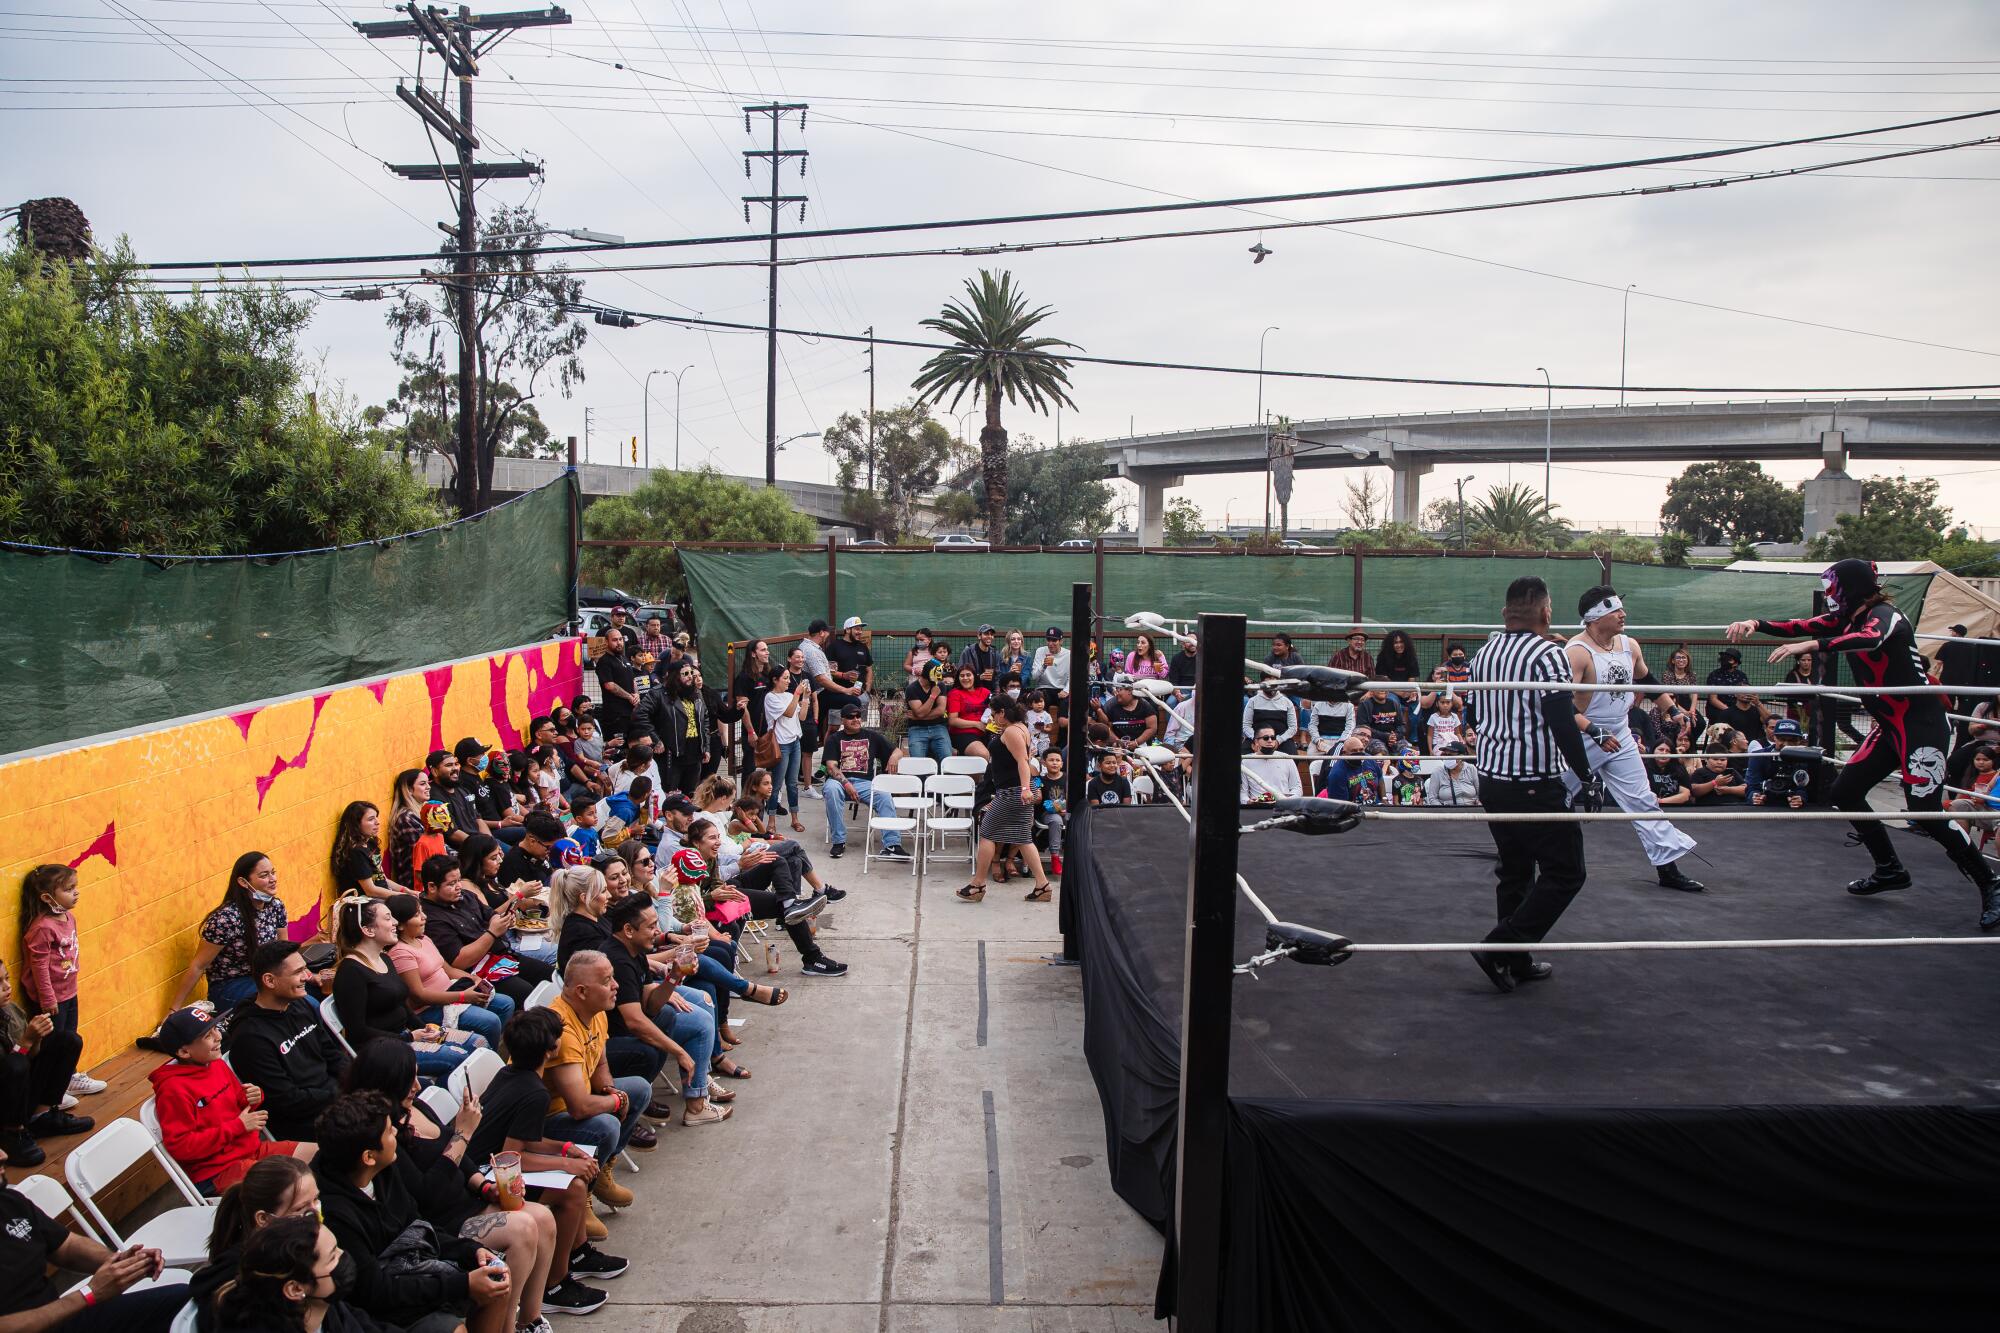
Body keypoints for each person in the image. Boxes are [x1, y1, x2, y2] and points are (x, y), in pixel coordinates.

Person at [1728, 559, 2000, 928]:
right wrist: (1755, 624)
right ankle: (1889, 868)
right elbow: (1800, 624)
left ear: (1851, 586)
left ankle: (1991, 883)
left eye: (1833, 585)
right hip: (1889, 726)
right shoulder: (1847, 619)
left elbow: (1868, 638)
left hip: (1922, 724)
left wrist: (1809, 645)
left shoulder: (1886, 616)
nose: (1829, 594)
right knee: (1846, 790)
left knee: (1926, 810)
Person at [1464, 575, 1594, 993]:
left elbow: (1472, 716)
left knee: (1515, 872)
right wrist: (1587, 776)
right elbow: (1561, 719)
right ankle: (1501, 947)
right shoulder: (1547, 654)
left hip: (1492, 778)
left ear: (1506, 612)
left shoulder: (1483, 654)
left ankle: (1515, 961)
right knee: (1566, 871)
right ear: (1546, 611)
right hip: (1535, 781)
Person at [311, 1092, 509, 1333]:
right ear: (368, 1157)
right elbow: (375, 1292)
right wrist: (462, 1284)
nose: (396, 1132)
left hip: (415, 1270)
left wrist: (471, 1250)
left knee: (497, 1281)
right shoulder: (335, 1213)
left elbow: (418, 1226)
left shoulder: (383, 1170)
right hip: (382, 1310)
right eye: (388, 1131)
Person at [1561, 587, 1707, 891]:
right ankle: (1522, 853)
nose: (1623, 614)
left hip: (1620, 733)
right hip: (1581, 735)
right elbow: (1560, 705)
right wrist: (1593, 731)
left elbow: (1646, 680)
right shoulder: (1577, 651)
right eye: (1616, 610)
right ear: (1596, 617)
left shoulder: (1629, 645)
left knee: (1643, 800)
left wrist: (1673, 709)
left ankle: (1668, 868)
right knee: (1555, 797)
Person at [0, 1157, 185, 1331]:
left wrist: (120, 1263)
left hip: (64, 1319)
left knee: (186, 1300)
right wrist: (89, 1293)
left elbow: (67, 1246)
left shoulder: (9, 1201)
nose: (3, 1155)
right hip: (61, 1313)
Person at [150, 1005, 315, 1195]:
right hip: (219, 1171)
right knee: (294, 1188)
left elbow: (238, 1103)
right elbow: (180, 1146)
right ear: (185, 1052)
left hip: (254, 1151)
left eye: (215, 1029)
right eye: (207, 1036)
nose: (219, 1036)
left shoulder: (216, 1063)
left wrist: (252, 1097)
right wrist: (238, 1126)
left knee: (326, 1154)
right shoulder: (173, 1090)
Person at [603, 895, 730, 1126]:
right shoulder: (618, 961)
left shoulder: (635, 951)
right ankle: (633, 1108)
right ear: (628, 930)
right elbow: (635, 1022)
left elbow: (651, 1005)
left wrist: (675, 976)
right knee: (677, 1033)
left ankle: (696, 1099)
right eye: (651, 926)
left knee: (691, 1017)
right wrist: (679, 1052)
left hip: (630, 1029)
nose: (657, 931)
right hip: (610, 1040)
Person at [541, 952, 652, 1198]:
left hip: (575, 1101)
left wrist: (609, 1091)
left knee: (639, 1088)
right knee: (608, 1124)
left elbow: (600, 1064)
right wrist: (616, 1101)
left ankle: (600, 1169)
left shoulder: (595, 1010)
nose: (616, 985)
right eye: (606, 981)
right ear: (581, 991)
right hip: (546, 1121)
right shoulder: (562, 1032)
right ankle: (583, 1193)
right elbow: (579, 1107)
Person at [331, 895, 478, 1078]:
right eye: (387, 918)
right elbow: (357, 1032)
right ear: (368, 930)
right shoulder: (351, 972)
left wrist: (425, 1029)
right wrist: (409, 1037)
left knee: (478, 1043)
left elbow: (402, 1005)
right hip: (383, 1052)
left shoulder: (384, 958)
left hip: (407, 1035)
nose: (394, 922)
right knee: (460, 1059)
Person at [224, 940, 350, 1143]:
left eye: (305, 969)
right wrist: (340, 1094)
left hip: (335, 1099)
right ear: (270, 980)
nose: (306, 977)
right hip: (303, 1123)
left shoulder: (300, 1005)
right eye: (297, 972)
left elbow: (332, 1053)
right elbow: (286, 1100)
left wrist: (355, 1080)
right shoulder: (250, 1038)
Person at [186, 1154, 319, 1332]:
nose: (314, 1213)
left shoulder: (289, 1248)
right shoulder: (246, 1284)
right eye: (301, 1208)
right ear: (264, 1218)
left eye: (316, 1200)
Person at [954, 694, 1054, 904]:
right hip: (1013, 791)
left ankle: (978, 884)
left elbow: (1022, 762)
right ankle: (1043, 885)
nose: (992, 718)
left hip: (1012, 792)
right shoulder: (1019, 728)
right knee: (1023, 838)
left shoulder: (1012, 732)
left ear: (1002, 712)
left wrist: (1026, 788)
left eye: (994, 714)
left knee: (988, 832)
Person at [385, 894, 515, 1046]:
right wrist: (461, 996)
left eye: (422, 911)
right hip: (430, 1008)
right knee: (490, 1022)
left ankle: (487, 1047)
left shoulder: (424, 939)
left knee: (506, 1003)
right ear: (400, 924)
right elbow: (419, 996)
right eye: (416, 915)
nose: (424, 917)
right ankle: (483, 1056)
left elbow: (448, 970)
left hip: (452, 992)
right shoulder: (400, 953)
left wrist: (474, 979)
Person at [169, 851, 290, 1013]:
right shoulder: (226, 919)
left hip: (264, 979)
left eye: (273, 873)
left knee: (306, 1001)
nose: (273, 879)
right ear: (243, 882)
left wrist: (304, 975)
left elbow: (284, 951)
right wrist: (174, 1009)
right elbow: (198, 965)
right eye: (264, 875)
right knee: (278, 1004)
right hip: (230, 986)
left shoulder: (276, 907)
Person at [0, 951, 89, 1165]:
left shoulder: (10, 1010)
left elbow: (30, 1056)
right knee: (16, 1064)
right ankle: (12, 1134)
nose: (7, 987)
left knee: (67, 1040)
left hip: (19, 1094)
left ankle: (41, 1117)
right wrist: (26, 1042)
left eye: (6, 978)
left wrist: (37, 1038)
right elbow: (11, 1068)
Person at [822, 703, 909, 859]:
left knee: (884, 795)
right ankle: (838, 841)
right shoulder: (834, 739)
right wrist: (846, 784)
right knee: (831, 790)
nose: (855, 719)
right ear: (842, 720)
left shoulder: (871, 736)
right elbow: (831, 767)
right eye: (850, 717)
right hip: (839, 782)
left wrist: (894, 757)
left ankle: (892, 844)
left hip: (864, 783)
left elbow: (897, 750)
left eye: (858, 716)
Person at [638, 657, 709, 799]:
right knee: (669, 794)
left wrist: (706, 747)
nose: (690, 677)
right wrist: (655, 739)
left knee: (690, 795)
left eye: (691, 673)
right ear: (675, 676)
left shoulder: (696, 693)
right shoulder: (659, 693)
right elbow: (640, 714)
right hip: (671, 753)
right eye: (686, 674)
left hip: (694, 752)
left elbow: (705, 720)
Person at [331, 801, 400, 900]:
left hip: (381, 898)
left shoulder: (370, 843)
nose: (377, 822)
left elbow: (383, 879)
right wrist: (403, 897)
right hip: (365, 905)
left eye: (376, 817)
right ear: (356, 824)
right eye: (371, 819)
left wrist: (406, 890)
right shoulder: (356, 852)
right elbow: (370, 890)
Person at [593, 626, 642, 743]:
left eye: (620, 639)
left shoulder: (624, 658)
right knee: (618, 748)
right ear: (606, 641)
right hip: (615, 715)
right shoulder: (604, 661)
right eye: (615, 640)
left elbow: (632, 679)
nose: (619, 643)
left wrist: (637, 694)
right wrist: (629, 697)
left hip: (630, 712)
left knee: (633, 744)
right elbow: (609, 685)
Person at [902, 657, 953, 765]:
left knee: (947, 758)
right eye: (937, 674)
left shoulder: (940, 685)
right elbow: (920, 712)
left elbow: (940, 710)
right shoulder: (912, 689)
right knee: (918, 762)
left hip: (938, 727)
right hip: (917, 728)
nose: (940, 678)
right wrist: (933, 696)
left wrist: (918, 717)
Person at [945, 664, 994, 758]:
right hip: (964, 733)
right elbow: (952, 720)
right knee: (982, 754)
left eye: (968, 675)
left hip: (987, 732)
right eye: (962, 676)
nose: (965, 678)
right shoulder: (955, 693)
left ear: (974, 676)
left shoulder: (985, 692)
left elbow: (994, 711)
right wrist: (976, 724)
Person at [1241, 727, 1302, 801]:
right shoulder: (1246, 761)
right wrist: (1248, 801)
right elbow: (1243, 792)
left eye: (1273, 738)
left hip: (1283, 806)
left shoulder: (1286, 758)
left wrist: (1287, 800)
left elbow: (1297, 788)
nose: (1270, 741)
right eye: (1266, 738)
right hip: (1258, 807)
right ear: (1256, 741)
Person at [960, 624, 1002, 690]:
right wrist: (979, 677)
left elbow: (998, 674)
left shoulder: (995, 653)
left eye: (991, 634)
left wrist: (997, 690)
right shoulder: (968, 651)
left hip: (990, 691)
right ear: (979, 636)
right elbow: (961, 673)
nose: (990, 636)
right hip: (972, 690)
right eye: (986, 634)